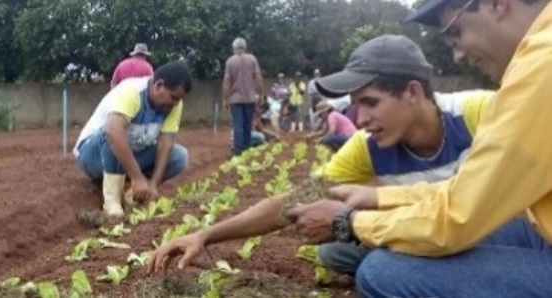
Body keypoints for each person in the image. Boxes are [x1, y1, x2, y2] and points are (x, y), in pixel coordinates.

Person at [146, 34, 495, 278]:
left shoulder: (481, 114)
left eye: (370, 103)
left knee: (381, 274)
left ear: (413, 92)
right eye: (355, 106)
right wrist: (205, 234)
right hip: (433, 230)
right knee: (334, 251)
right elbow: (295, 202)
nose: (359, 119)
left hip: (497, 230)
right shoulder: (368, 145)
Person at [287, 0, 552, 295]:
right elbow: (472, 194)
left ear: (497, 4)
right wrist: (380, 197)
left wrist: (348, 222)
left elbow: (457, 218)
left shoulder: (541, 66)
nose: (458, 55)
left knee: (383, 272)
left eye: (456, 32)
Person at [74, 61, 193, 216]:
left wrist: (153, 184)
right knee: (114, 133)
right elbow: (113, 131)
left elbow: (166, 143)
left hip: (126, 154)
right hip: (92, 155)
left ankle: (130, 190)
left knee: (179, 156)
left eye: (179, 99)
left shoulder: (174, 105)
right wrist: (137, 177)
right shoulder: (133, 92)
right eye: (173, 97)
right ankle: (112, 202)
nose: (175, 103)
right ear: (158, 85)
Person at [222, 37, 266, 156]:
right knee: (247, 126)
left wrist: (225, 98)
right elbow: (258, 77)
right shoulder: (252, 59)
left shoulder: (230, 61)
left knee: (238, 126)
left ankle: (238, 152)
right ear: (245, 47)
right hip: (250, 98)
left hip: (235, 99)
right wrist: (260, 94)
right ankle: (246, 152)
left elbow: (227, 81)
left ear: (234, 48)